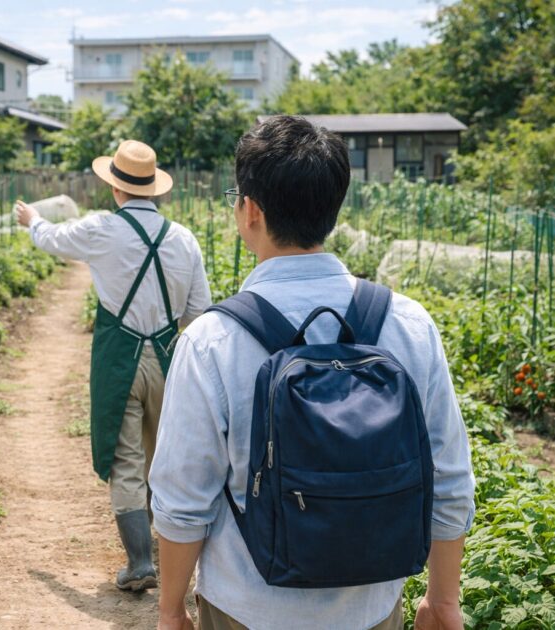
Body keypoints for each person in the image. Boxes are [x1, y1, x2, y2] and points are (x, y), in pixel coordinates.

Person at [149, 116, 476, 630]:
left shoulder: (213, 340)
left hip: (246, 608)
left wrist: (171, 611)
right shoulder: (408, 324)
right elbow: (449, 479)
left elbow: (182, 499)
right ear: (334, 205)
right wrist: (443, 601)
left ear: (249, 209)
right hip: (372, 609)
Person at [15, 140, 211, 591]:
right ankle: (186, 562)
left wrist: (33, 220)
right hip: (167, 357)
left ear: (115, 188)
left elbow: (52, 239)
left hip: (119, 356)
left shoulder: (102, 229)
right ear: (155, 190)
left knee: (126, 457)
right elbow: (199, 313)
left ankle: (140, 562)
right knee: (167, 457)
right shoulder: (183, 239)